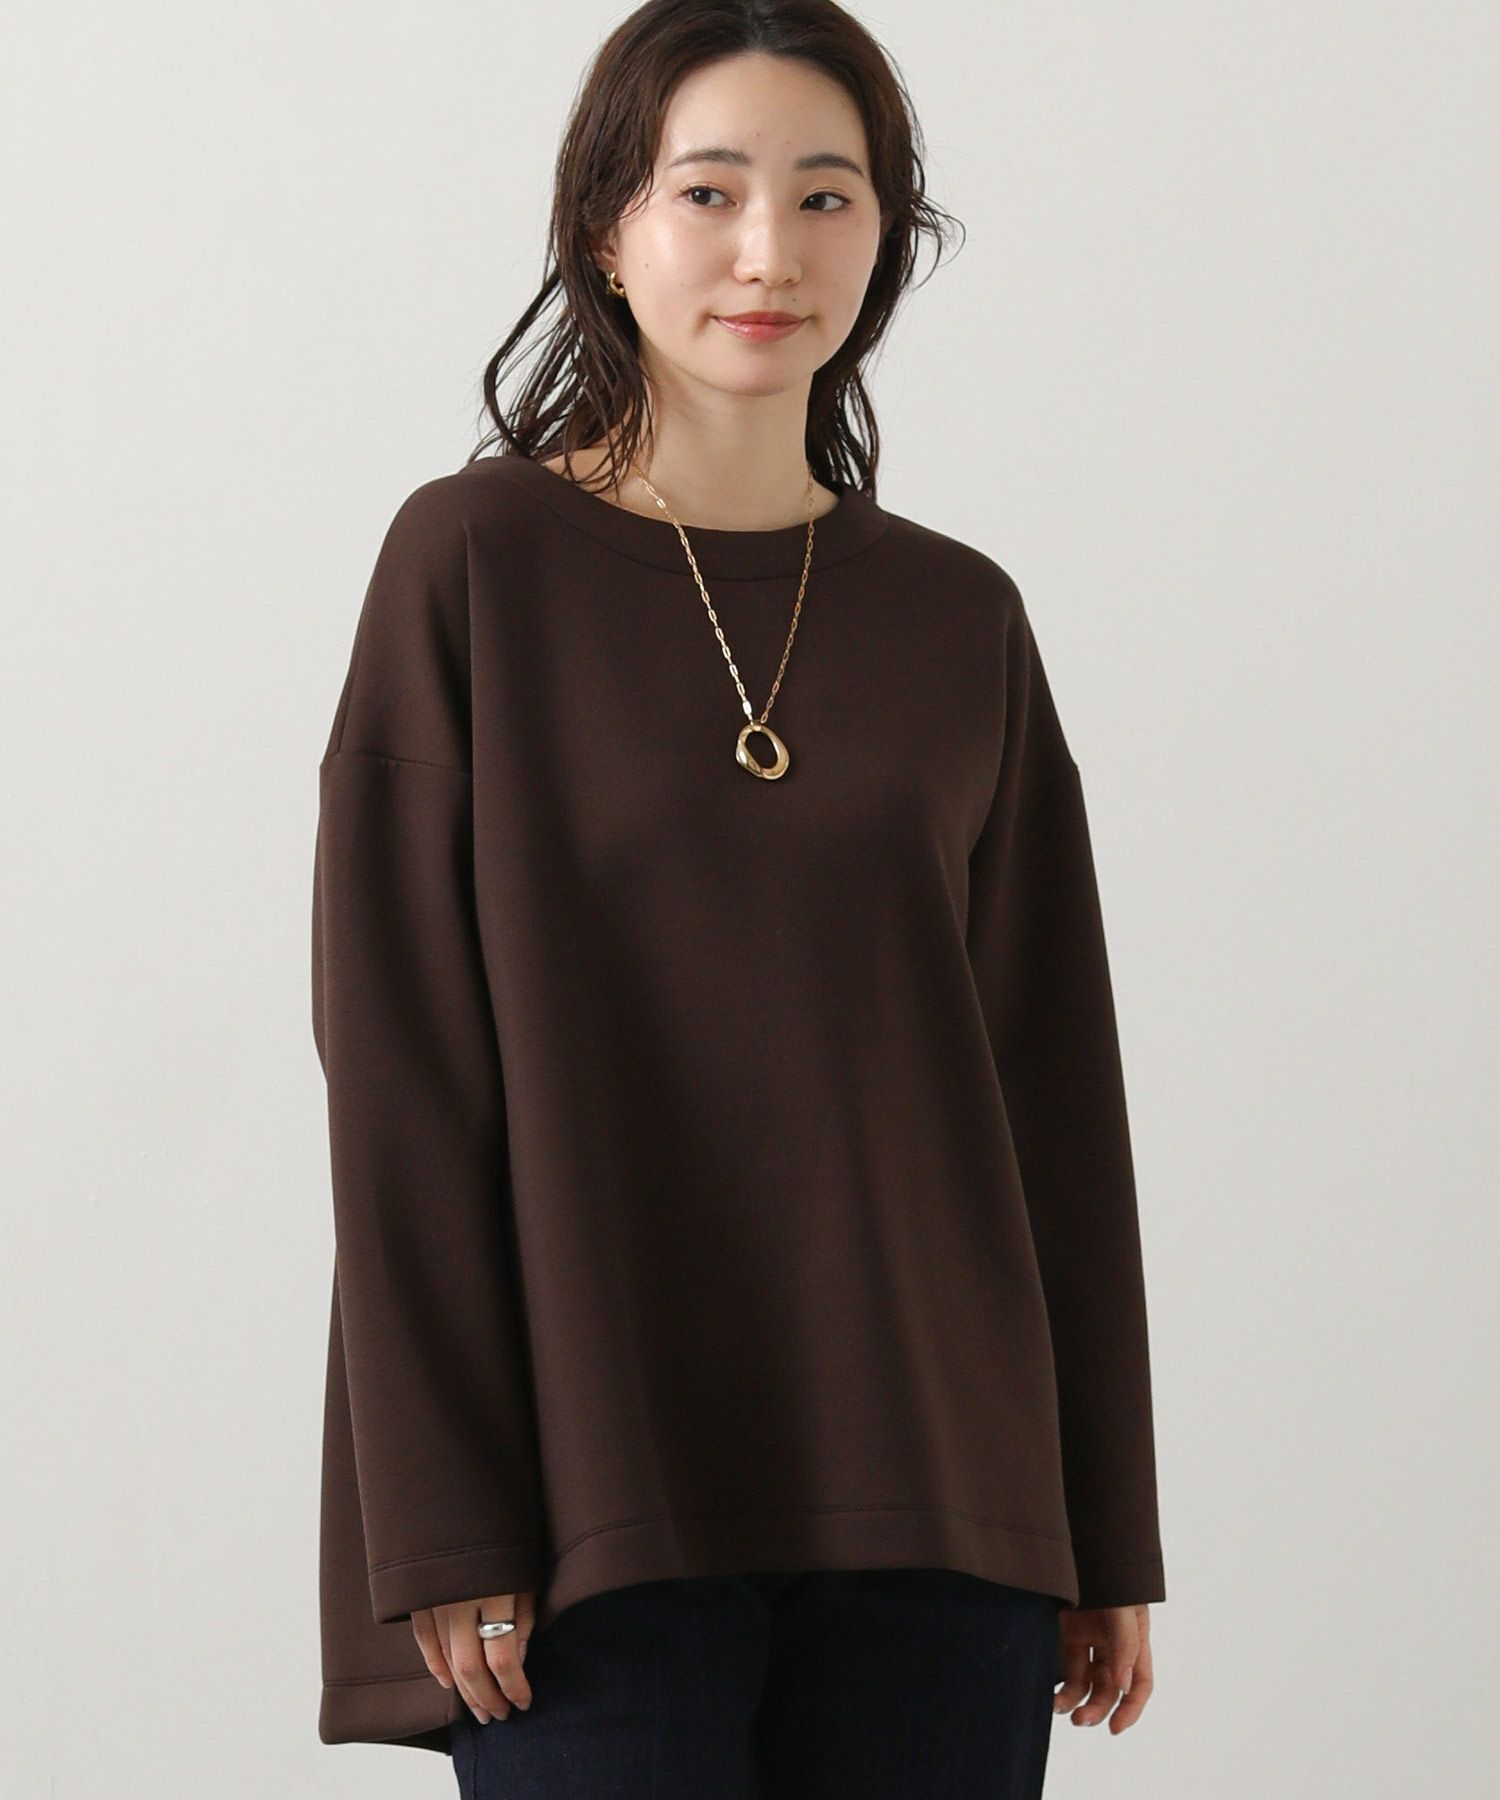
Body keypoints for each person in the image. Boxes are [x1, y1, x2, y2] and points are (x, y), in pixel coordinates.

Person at [310, 1, 1165, 1793]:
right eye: (708, 191)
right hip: (592, 1502)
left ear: (887, 235)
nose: (770, 251)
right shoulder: (472, 564)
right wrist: (442, 1516)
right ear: (607, 226)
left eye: (827, 196)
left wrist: (1101, 1523)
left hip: (945, 1508)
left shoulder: (960, 618)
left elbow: (1052, 1098)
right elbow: (402, 1079)